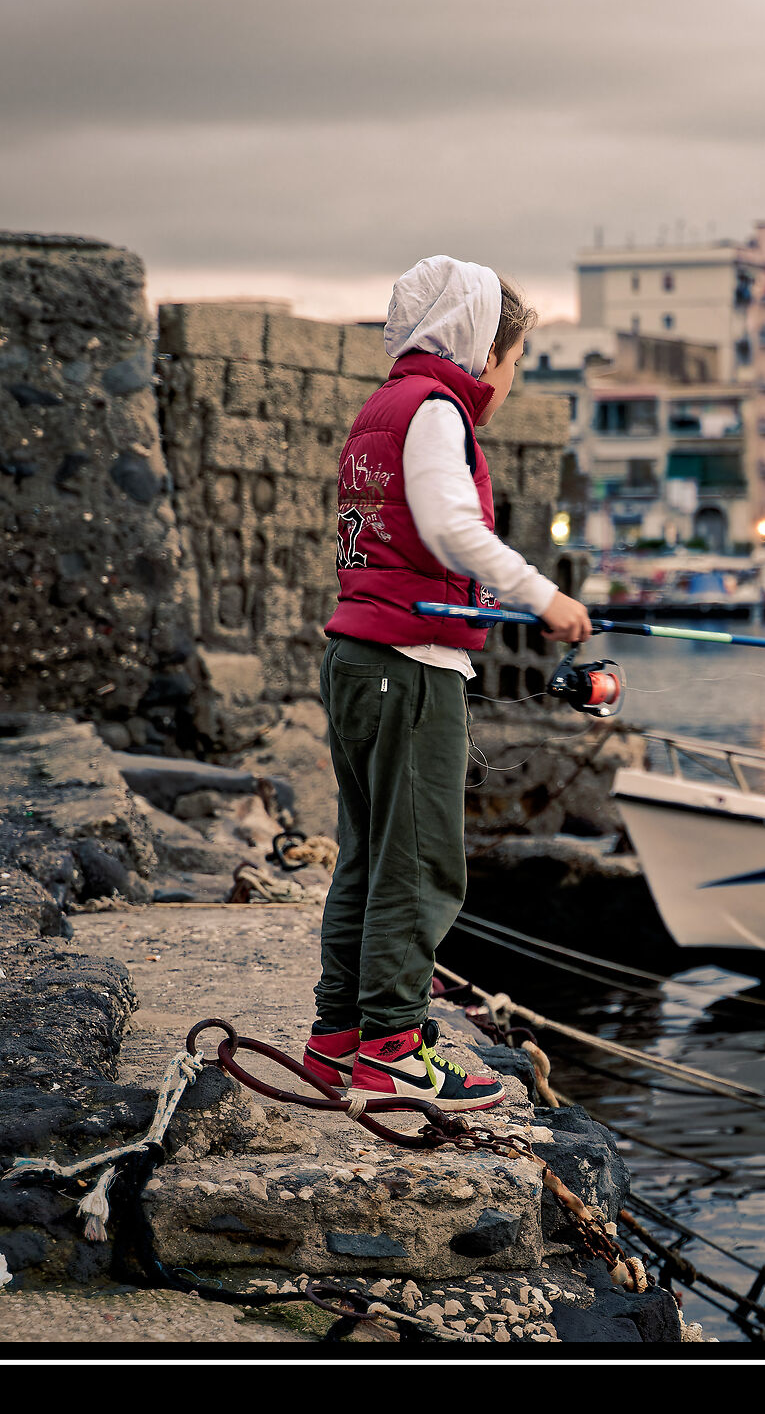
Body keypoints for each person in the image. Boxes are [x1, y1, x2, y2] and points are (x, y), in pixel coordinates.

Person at [302, 257, 594, 1112]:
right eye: (512, 364)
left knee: (367, 854)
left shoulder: (382, 407)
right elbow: (446, 521)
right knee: (422, 860)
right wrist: (543, 597)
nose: (507, 384)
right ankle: (393, 1048)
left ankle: (338, 1039)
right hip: (409, 671)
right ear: (479, 351)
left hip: (358, 660)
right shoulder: (436, 411)